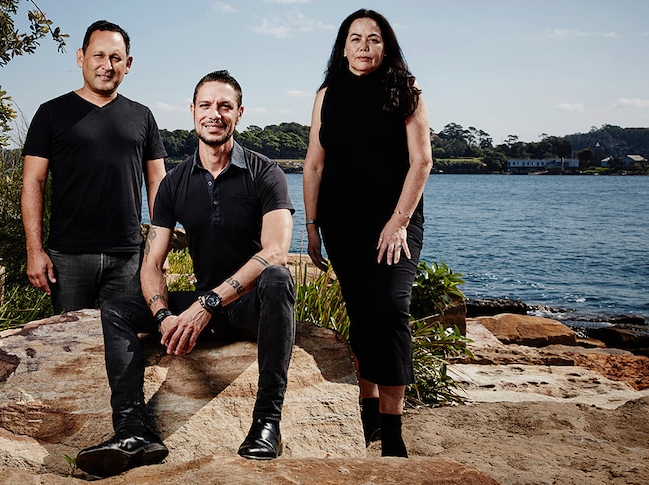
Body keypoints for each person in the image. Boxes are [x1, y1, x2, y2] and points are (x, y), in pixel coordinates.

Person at [75, 70, 296, 478]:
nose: (215, 114)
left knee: (278, 279)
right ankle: (133, 429)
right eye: (206, 105)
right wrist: (163, 316)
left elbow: (275, 251)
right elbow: (152, 263)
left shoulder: (266, 173)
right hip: (202, 305)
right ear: (192, 111)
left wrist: (208, 303)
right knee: (116, 308)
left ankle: (268, 422)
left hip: (249, 308)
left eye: (225, 106)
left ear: (239, 114)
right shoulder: (174, 183)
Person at [302, 9, 433, 458]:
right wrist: (312, 225)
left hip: (396, 221)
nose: (363, 46)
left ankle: (393, 429)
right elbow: (314, 163)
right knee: (361, 313)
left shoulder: (406, 91)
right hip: (342, 223)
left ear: (386, 46)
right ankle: (368, 407)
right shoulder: (327, 95)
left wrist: (398, 222)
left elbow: (422, 162)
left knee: (391, 310)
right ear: (343, 47)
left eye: (373, 39)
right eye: (355, 39)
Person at [21, 20, 167, 313]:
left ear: (128, 64)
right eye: (98, 55)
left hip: (128, 256)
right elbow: (32, 183)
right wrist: (34, 251)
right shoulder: (51, 113)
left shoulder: (143, 116)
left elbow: (158, 184)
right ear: (81, 57)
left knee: (128, 340)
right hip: (68, 256)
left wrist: (156, 256)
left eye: (116, 58)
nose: (107, 65)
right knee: (69, 343)